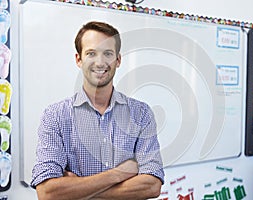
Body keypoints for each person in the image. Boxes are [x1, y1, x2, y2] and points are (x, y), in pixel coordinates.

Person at [31, 21, 165, 200]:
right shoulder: (55, 116)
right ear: (79, 59)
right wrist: (117, 174)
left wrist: (79, 189)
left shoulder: (141, 114)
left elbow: (152, 186)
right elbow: (47, 192)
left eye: (108, 54)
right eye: (91, 53)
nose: (100, 62)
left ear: (118, 60)